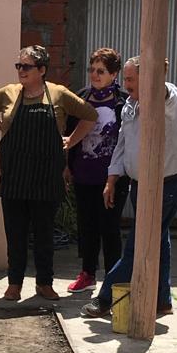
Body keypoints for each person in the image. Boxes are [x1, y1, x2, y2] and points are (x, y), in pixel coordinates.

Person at [0, 45, 97, 301]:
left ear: (41, 70)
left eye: (27, 66)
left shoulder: (58, 94)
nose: (21, 71)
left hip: (46, 177)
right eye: (19, 66)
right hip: (14, 176)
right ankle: (14, 284)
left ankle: (44, 283)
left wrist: (70, 141)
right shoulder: (9, 93)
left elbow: (90, 115)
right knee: (15, 233)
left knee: (43, 234)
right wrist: (2, 127)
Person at [81, 56, 177, 320]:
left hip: (168, 183)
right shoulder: (130, 105)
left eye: (131, 78)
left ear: (149, 78)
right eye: (127, 78)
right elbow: (122, 146)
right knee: (158, 241)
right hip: (139, 184)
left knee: (138, 242)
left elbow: (162, 93)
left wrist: (158, 75)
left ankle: (105, 298)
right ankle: (162, 300)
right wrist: (111, 179)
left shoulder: (170, 98)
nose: (126, 83)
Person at [65, 47, 130, 293]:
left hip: (113, 177)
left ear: (114, 74)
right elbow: (69, 135)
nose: (95, 75)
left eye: (101, 71)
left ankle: (113, 279)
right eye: (92, 70)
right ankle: (87, 273)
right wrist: (67, 166)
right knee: (87, 225)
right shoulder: (81, 97)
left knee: (110, 228)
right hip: (84, 173)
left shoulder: (123, 101)